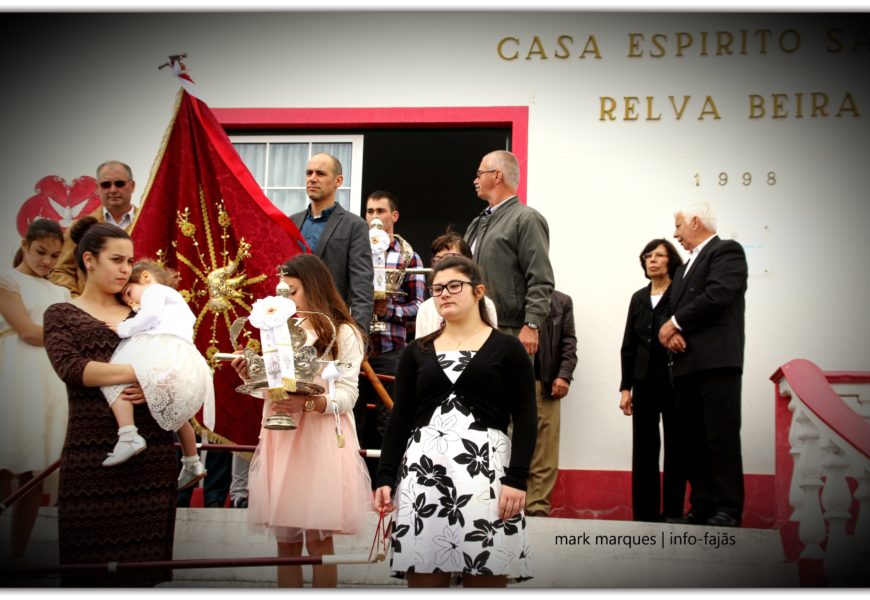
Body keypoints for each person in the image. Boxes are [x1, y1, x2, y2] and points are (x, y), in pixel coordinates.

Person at [375, 256, 536, 587]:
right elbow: (401, 416)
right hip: (425, 475)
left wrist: (518, 478)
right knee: (425, 576)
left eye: (453, 286)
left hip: (486, 475)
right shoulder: (416, 351)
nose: (444, 293)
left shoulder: (508, 349)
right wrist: (385, 477)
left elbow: (526, 415)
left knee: (485, 573)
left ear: (478, 291)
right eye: (437, 288)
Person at [43, 216, 177, 587]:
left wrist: (155, 384)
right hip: (92, 457)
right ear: (89, 260)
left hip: (153, 457)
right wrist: (142, 372)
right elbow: (73, 369)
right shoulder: (61, 314)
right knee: (86, 574)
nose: (126, 269)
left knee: (145, 576)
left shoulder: (147, 315)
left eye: (130, 261)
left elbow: (178, 369)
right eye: (117, 260)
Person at [231, 254, 371, 588]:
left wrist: (309, 403)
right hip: (281, 436)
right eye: (280, 292)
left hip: (320, 441)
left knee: (319, 541)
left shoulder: (344, 332)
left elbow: (349, 395)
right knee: (286, 543)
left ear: (315, 288)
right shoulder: (274, 331)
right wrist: (252, 374)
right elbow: (272, 391)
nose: (284, 299)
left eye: (291, 291)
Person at [657, 201, 748, 528]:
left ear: (695, 221)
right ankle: (701, 506)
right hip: (685, 365)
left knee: (719, 436)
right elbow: (668, 310)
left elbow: (717, 295)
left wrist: (676, 323)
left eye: (678, 225)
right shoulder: (682, 269)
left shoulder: (727, 252)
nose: (675, 233)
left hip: (717, 362)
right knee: (690, 440)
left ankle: (727, 508)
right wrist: (669, 330)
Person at [98, 260, 211, 492]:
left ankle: (128, 433)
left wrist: (122, 328)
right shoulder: (173, 300)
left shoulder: (155, 291)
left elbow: (148, 318)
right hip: (181, 355)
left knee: (114, 377)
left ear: (146, 277)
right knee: (179, 415)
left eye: (129, 292)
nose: (129, 301)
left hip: (162, 348)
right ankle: (192, 462)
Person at [0, 219, 69, 567]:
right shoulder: (7, 280)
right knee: (4, 465)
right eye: (41, 252)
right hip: (14, 376)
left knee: (33, 471)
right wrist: (67, 338)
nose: (47, 261)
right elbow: (26, 331)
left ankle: (16, 553)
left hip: (47, 379)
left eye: (55, 255)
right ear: (25, 245)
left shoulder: (60, 293)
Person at [619, 239, 686, 522]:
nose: (653, 260)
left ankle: (672, 511)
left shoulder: (680, 295)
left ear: (671, 261)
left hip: (675, 380)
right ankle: (645, 513)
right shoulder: (638, 297)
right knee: (644, 449)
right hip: (643, 381)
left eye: (659, 255)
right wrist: (625, 388)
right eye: (648, 256)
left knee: (676, 446)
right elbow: (629, 345)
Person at [357, 191, 425, 464]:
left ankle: (393, 489)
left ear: (393, 216)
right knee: (354, 420)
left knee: (391, 420)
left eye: (380, 211)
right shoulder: (357, 251)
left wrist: (391, 311)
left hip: (392, 350)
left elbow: (421, 306)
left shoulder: (409, 257)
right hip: (357, 348)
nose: (374, 217)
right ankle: (356, 489)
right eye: (370, 211)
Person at [464, 150, 554, 356]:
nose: (475, 180)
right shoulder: (477, 223)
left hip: (509, 330)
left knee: (509, 389)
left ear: (497, 175)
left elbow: (541, 278)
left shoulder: (527, 219)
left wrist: (531, 325)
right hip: (473, 327)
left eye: (479, 173)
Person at [289, 153, 373, 330]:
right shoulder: (290, 223)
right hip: (291, 326)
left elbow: (362, 286)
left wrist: (359, 336)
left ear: (338, 181)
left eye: (320, 173)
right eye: (309, 173)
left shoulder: (355, 225)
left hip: (332, 328)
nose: (312, 178)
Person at [525, 289, 578, 517]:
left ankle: (537, 508)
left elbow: (569, 342)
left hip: (545, 384)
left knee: (545, 449)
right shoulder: (511, 300)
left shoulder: (561, 301)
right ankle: (509, 505)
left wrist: (564, 375)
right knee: (506, 444)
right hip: (511, 384)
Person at [51, 160, 138, 296]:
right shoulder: (80, 227)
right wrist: (76, 302)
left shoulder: (149, 223)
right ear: (98, 188)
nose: (113, 190)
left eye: (119, 183)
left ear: (132, 186)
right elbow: (61, 270)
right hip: (90, 313)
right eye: (106, 185)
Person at [415, 229, 498, 336]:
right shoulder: (425, 308)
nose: (443, 263)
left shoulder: (486, 304)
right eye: (438, 259)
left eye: (450, 258)